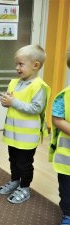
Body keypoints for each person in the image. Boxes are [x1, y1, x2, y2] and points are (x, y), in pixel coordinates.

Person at [0, 44, 51, 204]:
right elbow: (12, 103)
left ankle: (25, 187)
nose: (17, 68)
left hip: (27, 137)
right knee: (13, 160)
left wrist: (13, 102)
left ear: (35, 65)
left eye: (21, 64)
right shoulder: (14, 82)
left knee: (25, 164)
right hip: (13, 134)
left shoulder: (39, 86)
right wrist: (6, 102)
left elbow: (36, 108)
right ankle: (15, 181)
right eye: (16, 64)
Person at [49, 46, 70, 225]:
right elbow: (57, 119)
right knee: (67, 190)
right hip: (68, 161)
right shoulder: (64, 96)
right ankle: (68, 214)